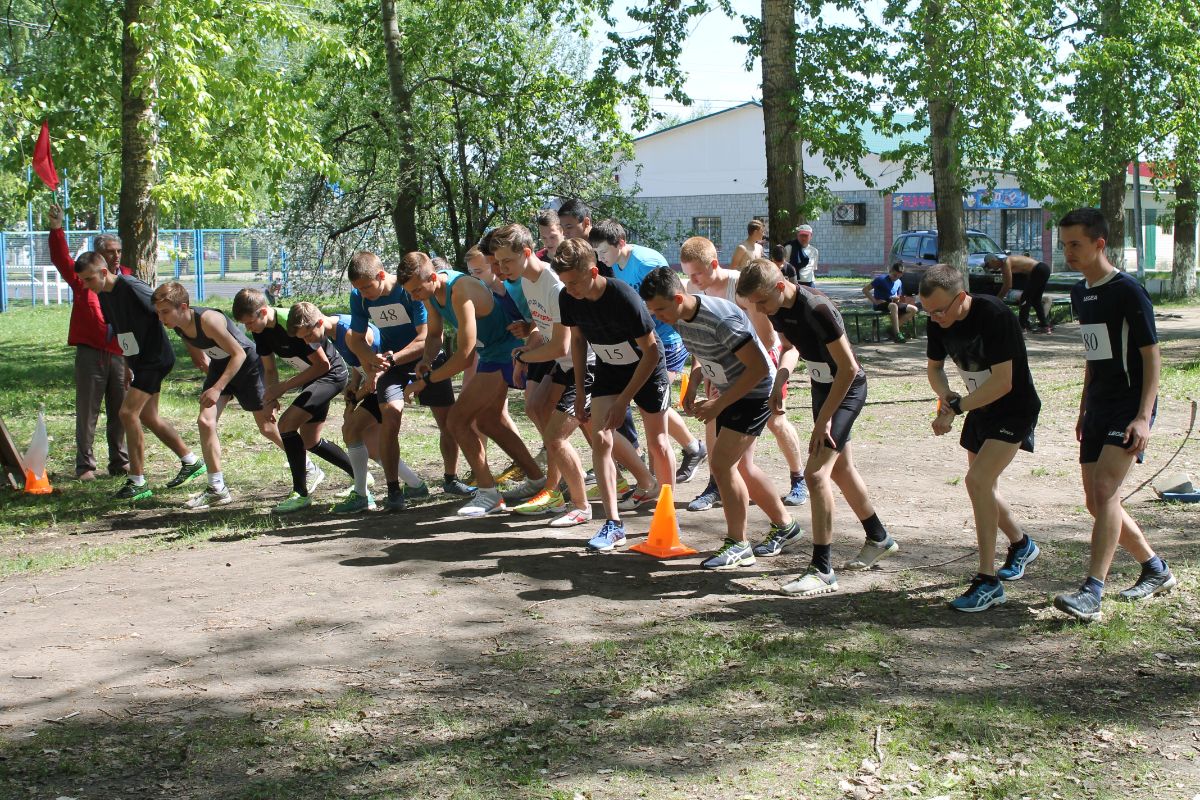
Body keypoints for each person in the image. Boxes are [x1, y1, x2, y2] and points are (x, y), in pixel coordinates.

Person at [737, 258, 900, 596]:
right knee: (840, 470)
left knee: (815, 475)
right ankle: (879, 537)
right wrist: (780, 378)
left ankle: (822, 570)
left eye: (763, 302)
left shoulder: (818, 309)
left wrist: (824, 419)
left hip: (846, 387)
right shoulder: (777, 308)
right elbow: (790, 348)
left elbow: (849, 370)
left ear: (780, 286)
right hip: (822, 386)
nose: (761, 310)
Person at [1052, 208, 1176, 623]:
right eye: (1064, 243)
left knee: (1106, 489)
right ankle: (1155, 568)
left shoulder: (1127, 290)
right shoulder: (1078, 293)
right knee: (1095, 499)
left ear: (1099, 243)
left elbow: (1151, 355)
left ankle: (1092, 591)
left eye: (1076, 244)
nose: (1067, 251)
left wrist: (1143, 416)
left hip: (1129, 404)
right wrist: (1084, 405)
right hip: (1100, 404)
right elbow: (1095, 353)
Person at [640, 267, 801, 569]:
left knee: (722, 464)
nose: (656, 316)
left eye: (659, 309)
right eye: (652, 311)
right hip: (731, 392)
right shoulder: (680, 316)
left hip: (753, 393)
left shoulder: (720, 318)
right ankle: (785, 525)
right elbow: (701, 354)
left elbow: (758, 370)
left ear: (678, 297)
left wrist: (718, 404)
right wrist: (693, 385)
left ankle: (738, 544)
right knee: (742, 467)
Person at [919, 264, 1042, 612]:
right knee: (982, 486)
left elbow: (1004, 382)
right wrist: (946, 398)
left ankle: (988, 581)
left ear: (961, 298)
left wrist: (955, 410)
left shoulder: (995, 314)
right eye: (929, 312)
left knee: (977, 480)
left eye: (941, 310)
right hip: (978, 408)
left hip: (1013, 408)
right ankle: (1021, 545)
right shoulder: (936, 318)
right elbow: (934, 368)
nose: (936, 318)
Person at [399, 251, 545, 516]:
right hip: (490, 352)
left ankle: (489, 494)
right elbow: (434, 334)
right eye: (410, 292)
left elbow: (465, 357)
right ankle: (537, 480)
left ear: (432, 277)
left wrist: (426, 381)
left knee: (457, 421)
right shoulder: (430, 292)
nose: (414, 296)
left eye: (416, 290)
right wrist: (428, 360)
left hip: (506, 351)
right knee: (489, 422)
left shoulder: (460, 290)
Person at [554, 237, 676, 551]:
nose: (571, 290)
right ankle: (613, 523)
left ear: (593, 271)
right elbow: (578, 342)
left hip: (647, 368)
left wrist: (623, 402)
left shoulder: (622, 296)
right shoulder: (568, 297)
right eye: (565, 284)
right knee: (601, 438)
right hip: (609, 365)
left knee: (658, 443)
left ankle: (668, 515)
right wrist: (580, 392)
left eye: (576, 282)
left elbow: (650, 353)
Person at [678, 236, 809, 511]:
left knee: (775, 420)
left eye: (697, 273)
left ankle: (798, 478)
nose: (693, 280)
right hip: (721, 364)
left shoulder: (741, 285)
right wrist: (700, 376)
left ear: (714, 264)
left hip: (760, 362)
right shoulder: (693, 289)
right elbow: (701, 338)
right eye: (688, 274)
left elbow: (766, 338)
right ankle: (716, 484)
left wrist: (739, 369)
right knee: (713, 419)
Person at [75, 253, 204, 500]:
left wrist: (195, 349)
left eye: (89, 279)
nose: (85, 285)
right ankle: (191, 461)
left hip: (155, 359)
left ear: (103, 273)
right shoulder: (102, 294)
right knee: (148, 416)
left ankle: (137, 481)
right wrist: (127, 365)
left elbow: (172, 315)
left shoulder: (132, 287)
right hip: (140, 362)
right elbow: (122, 333)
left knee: (127, 413)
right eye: (82, 280)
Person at [587, 218, 707, 483]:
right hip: (643, 340)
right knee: (652, 406)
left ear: (620, 242)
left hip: (668, 340)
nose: (601, 258)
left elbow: (670, 297)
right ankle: (692, 449)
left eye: (604, 251)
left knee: (653, 406)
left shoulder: (647, 263)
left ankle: (669, 472)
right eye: (597, 253)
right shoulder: (615, 263)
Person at [491, 223, 593, 526]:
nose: (500, 268)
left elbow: (562, 343)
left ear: (525, 253)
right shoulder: (525, 281)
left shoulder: (553, 284)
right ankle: (555, 489)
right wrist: (527, 350)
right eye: (497, 262)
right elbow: (541, 327)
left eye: (506, 261)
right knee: (537, 409)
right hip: (563, 363)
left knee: (559, 436)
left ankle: (580, 504)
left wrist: (525, 355)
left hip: (585, 365)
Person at [343, 251, 461, 512]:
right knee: (390, 419)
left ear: (382, 276)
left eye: (366, 287)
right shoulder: (358, 298)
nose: (363, 294)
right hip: (391, 364)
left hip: (424, 358)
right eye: (358, 289)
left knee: (447, 422)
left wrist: (392, 359)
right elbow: (356, 338)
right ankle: (394, 490)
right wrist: (370, 360)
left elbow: (424, 337)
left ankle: (451, 479)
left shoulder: (410, 290)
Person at [152, 282, 284, 509]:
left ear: (183, 307)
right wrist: (209, 376)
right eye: (159, 313)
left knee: (267, 428)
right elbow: (200, 353)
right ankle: (217, 488)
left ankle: (307, 467)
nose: (161, 318)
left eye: (165, 312)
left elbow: (239, 354)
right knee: (205, 421)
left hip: (246, 366)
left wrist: (217, 388)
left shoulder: (208, 320)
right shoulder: (178, 325)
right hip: (221, 369)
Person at [232, 290, 355, 514]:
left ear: (262, 311)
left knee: (286, 425)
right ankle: (361, 477)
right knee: (310, 440)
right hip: (313, 378)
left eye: (250, 323)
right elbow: (270, 369)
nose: (248, 329)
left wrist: (284, 387)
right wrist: (271, 396)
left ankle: (300, 493)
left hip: (330, 375)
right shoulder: (261, 330)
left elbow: (323, 366)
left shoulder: (290, 322)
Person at [47, 205, 130, 481]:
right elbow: (61, 259)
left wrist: (133, 359)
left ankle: (120, 460)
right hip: (91, 353)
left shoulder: (126, 277)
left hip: (119, 352)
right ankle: (85, 465)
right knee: (88, 409)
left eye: (118, 251)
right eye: (110, 251)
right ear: (98, 256)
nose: (116, 256)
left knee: (121, 409)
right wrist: (57, 228)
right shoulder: (83, 278)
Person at [983, 253, 1054, 334]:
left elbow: (1008, 285)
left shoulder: (1006, 262)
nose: (990, 268)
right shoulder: (1008, 260)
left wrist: (998, 299)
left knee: (1025, 299)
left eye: (989, 265)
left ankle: (1022, 327)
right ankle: (1044, 326)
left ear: (993, 260)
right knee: (1035, 300)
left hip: (1039, 270)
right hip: (1044, 269)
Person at [863, 263, 917, 343]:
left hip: (892, 303)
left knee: (913, 309)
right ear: (890, 271)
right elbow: (865, 290)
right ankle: (897, 334)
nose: (896, 278)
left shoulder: (899, 282)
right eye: (894, 275)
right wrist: (874, 301)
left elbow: (898, 297)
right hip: (880, 304)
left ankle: (892, 330)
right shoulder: (881, 279)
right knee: (894, 306)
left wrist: (896, 299)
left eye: (899, 276)